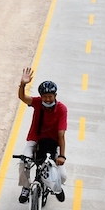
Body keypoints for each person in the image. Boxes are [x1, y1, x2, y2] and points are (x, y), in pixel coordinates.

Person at [16, 67, 68, 203]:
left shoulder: (61, 109)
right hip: (36, 139)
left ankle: (57, 187)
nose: (48, 99)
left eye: (50, 96)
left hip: (54, 142)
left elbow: (61, 134)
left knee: (62, 175)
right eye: (45, 96)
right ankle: (26, 187)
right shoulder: (38, 103)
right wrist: (23, 84)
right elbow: (22, 97)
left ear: (55, 95)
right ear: (41, 96)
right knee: (24, 162)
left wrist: (62, 155)